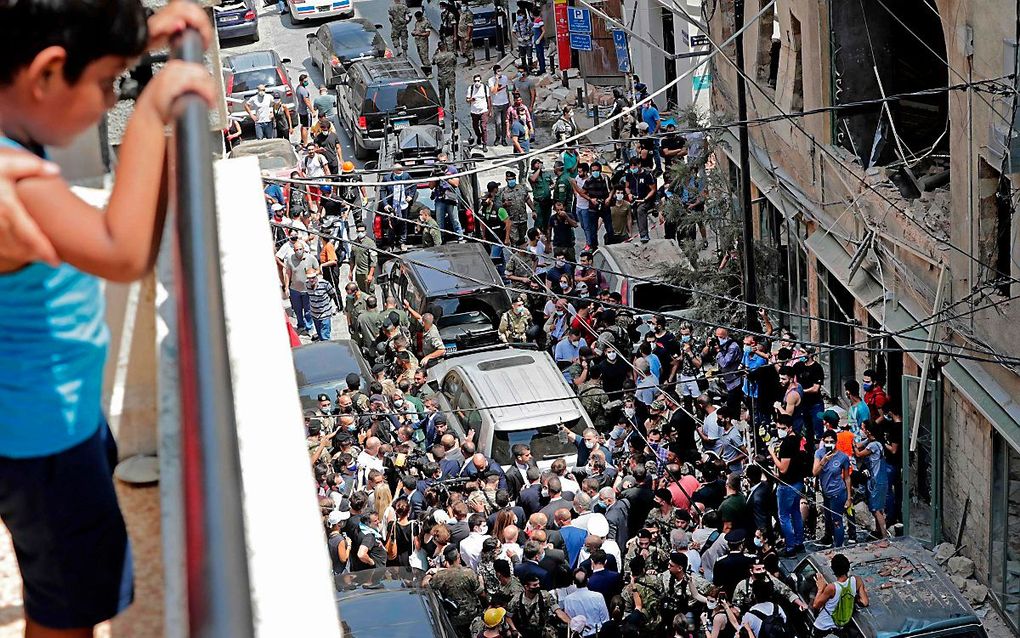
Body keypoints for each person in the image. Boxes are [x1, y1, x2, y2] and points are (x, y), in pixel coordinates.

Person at [0, 4, 214, 634]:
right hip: (45, 439)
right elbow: (122, 253)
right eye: (108, 83)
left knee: (72, 591)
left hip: (52, 419)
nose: (109, 100)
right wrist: (151, 111)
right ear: (46, 72)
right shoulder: (20, 179)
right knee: (68, 610)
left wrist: (127, 38)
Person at [424, 545, 484, 638]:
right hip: (472, 615)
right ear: (458, 557)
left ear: (446, 560)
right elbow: (480, 593)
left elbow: (424, 585)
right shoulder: (468, 573)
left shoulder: (440, 576)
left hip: (454, 617)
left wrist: (429, 574)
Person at [768, 415, 807, 556]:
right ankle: (799, 542)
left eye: (782, 428)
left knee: (784, 516)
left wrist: (772, 454)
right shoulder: (798, 438)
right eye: (778, 428)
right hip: (798, 482)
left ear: (789, 427)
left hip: (787, 485)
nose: (779, 430)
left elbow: (783, 468)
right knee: (795, 513)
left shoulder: (786, 444)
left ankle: (790, 547)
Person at [811, 553, 868, 636]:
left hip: (823, 626)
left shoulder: (832, 588)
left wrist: (820, 589)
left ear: (833, 570)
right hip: (840, 628)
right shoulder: (857, 580)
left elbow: (816, 605)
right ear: (848, 567)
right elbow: (865, 602)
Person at [813, 430, 852, 547]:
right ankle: (829, 539)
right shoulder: (819, 454)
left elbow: (847, 478)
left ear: (836, 442)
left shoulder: (842, 457)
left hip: (838, 493)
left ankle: (839, 547)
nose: (829, 444)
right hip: (826, 493)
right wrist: (823, 461)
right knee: (828, 519)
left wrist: (849, 497)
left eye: (832, 441)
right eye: (827, 442)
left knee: (837, 521)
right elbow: (814, 472)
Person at [855, 421, 888, 540]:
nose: (862, 430)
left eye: (863, 428)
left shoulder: (873, 445)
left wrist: (851, 443)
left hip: (876, 479)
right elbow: (859, 444)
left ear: (868, 431)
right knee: (878, 507)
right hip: (880, 478)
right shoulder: (873, 442)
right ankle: (878, 531)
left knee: (876, 509)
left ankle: (884, 536)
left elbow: (859, 453)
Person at [495, 170, 533, 247]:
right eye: (509, 179)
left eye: (512, 179)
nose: (511, 181)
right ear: (506, 180)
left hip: (523, 219)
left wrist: (533, 210)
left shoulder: (522, 188)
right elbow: (497, 205)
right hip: (512, 221)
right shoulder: (503, 192)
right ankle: (515, 256)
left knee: (522, 240)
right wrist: (504, 204)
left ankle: (522, 254)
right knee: (515, 241)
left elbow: (527, 199)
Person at [623, 156, 656, 243]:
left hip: (646, 199)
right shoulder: (629, 175)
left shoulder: (647, 175)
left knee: (640, 210)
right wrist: (629, 194)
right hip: (635, 199)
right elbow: (626, 187)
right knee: (633, 212)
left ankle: (644, 235)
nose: (633, 168)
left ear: (639, 165)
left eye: (634, 165)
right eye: (631, 166)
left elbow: (653, 189)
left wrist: (645, 199)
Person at [307, 268, 338, 341]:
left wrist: (327, 305)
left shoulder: (324, 284)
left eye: (313, 277)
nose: (311, 280)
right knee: (320, 335)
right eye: (309, 278)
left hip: (325, 314)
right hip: (315, 315)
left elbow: (333, 294)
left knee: (325, 336)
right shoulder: (307, 284)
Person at [349, 223, 378, 294]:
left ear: (365, 232)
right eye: (358, 231)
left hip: (366, 272)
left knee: (370, 292)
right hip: (358, 273)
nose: (360, 233)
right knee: (361, 293)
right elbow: (352, 259)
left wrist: (370, 275)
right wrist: (350, 271)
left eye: (362, 231)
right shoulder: (354, 243)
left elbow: (373, 261)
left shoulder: (370, 243)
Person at [433, 41, 459, 120]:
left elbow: (433, 62)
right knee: (452, 95)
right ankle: (453, 111)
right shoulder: (451, 55)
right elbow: (455, 62)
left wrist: (436, 53)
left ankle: (441, 110)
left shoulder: (437, 57)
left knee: (442, 95)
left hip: (442, 78)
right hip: (451, 77)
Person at [489, 64, 512, 146]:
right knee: (498, 123)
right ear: (495, 72)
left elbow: (506, 90)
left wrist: (509, 102)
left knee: (504, 122)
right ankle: (497, 137)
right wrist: (497, 80)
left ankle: (504, 139)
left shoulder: (505, 78)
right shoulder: (491, 80)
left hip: (505, 103)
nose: (500, 72)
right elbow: (494, 91)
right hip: (496, 104)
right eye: (498, 71)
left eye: (500, 70)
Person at [467, 73, 490, 148]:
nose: (477, 82)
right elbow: (467, 100)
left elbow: (489, 99)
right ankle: (479, 136)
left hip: (483, 110)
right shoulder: (471, 88)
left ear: (481, 81)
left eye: (478, 81)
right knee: (475, 126)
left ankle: (484, 143)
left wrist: (489, 110)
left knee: (483, 127)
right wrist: (471, 99)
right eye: (475, 81)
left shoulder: (485, 88)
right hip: (474, 111)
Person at [295, 73, 314, 143]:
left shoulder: (298, 88)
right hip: (305, 111)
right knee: (306, 127)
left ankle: (302, 140)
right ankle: (305, 143)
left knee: (303, 126)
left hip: (300, 110)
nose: (306, 82)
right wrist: (312, 111)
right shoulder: (303, 90)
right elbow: (307, 101)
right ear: (301, 81)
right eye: (305, 81)